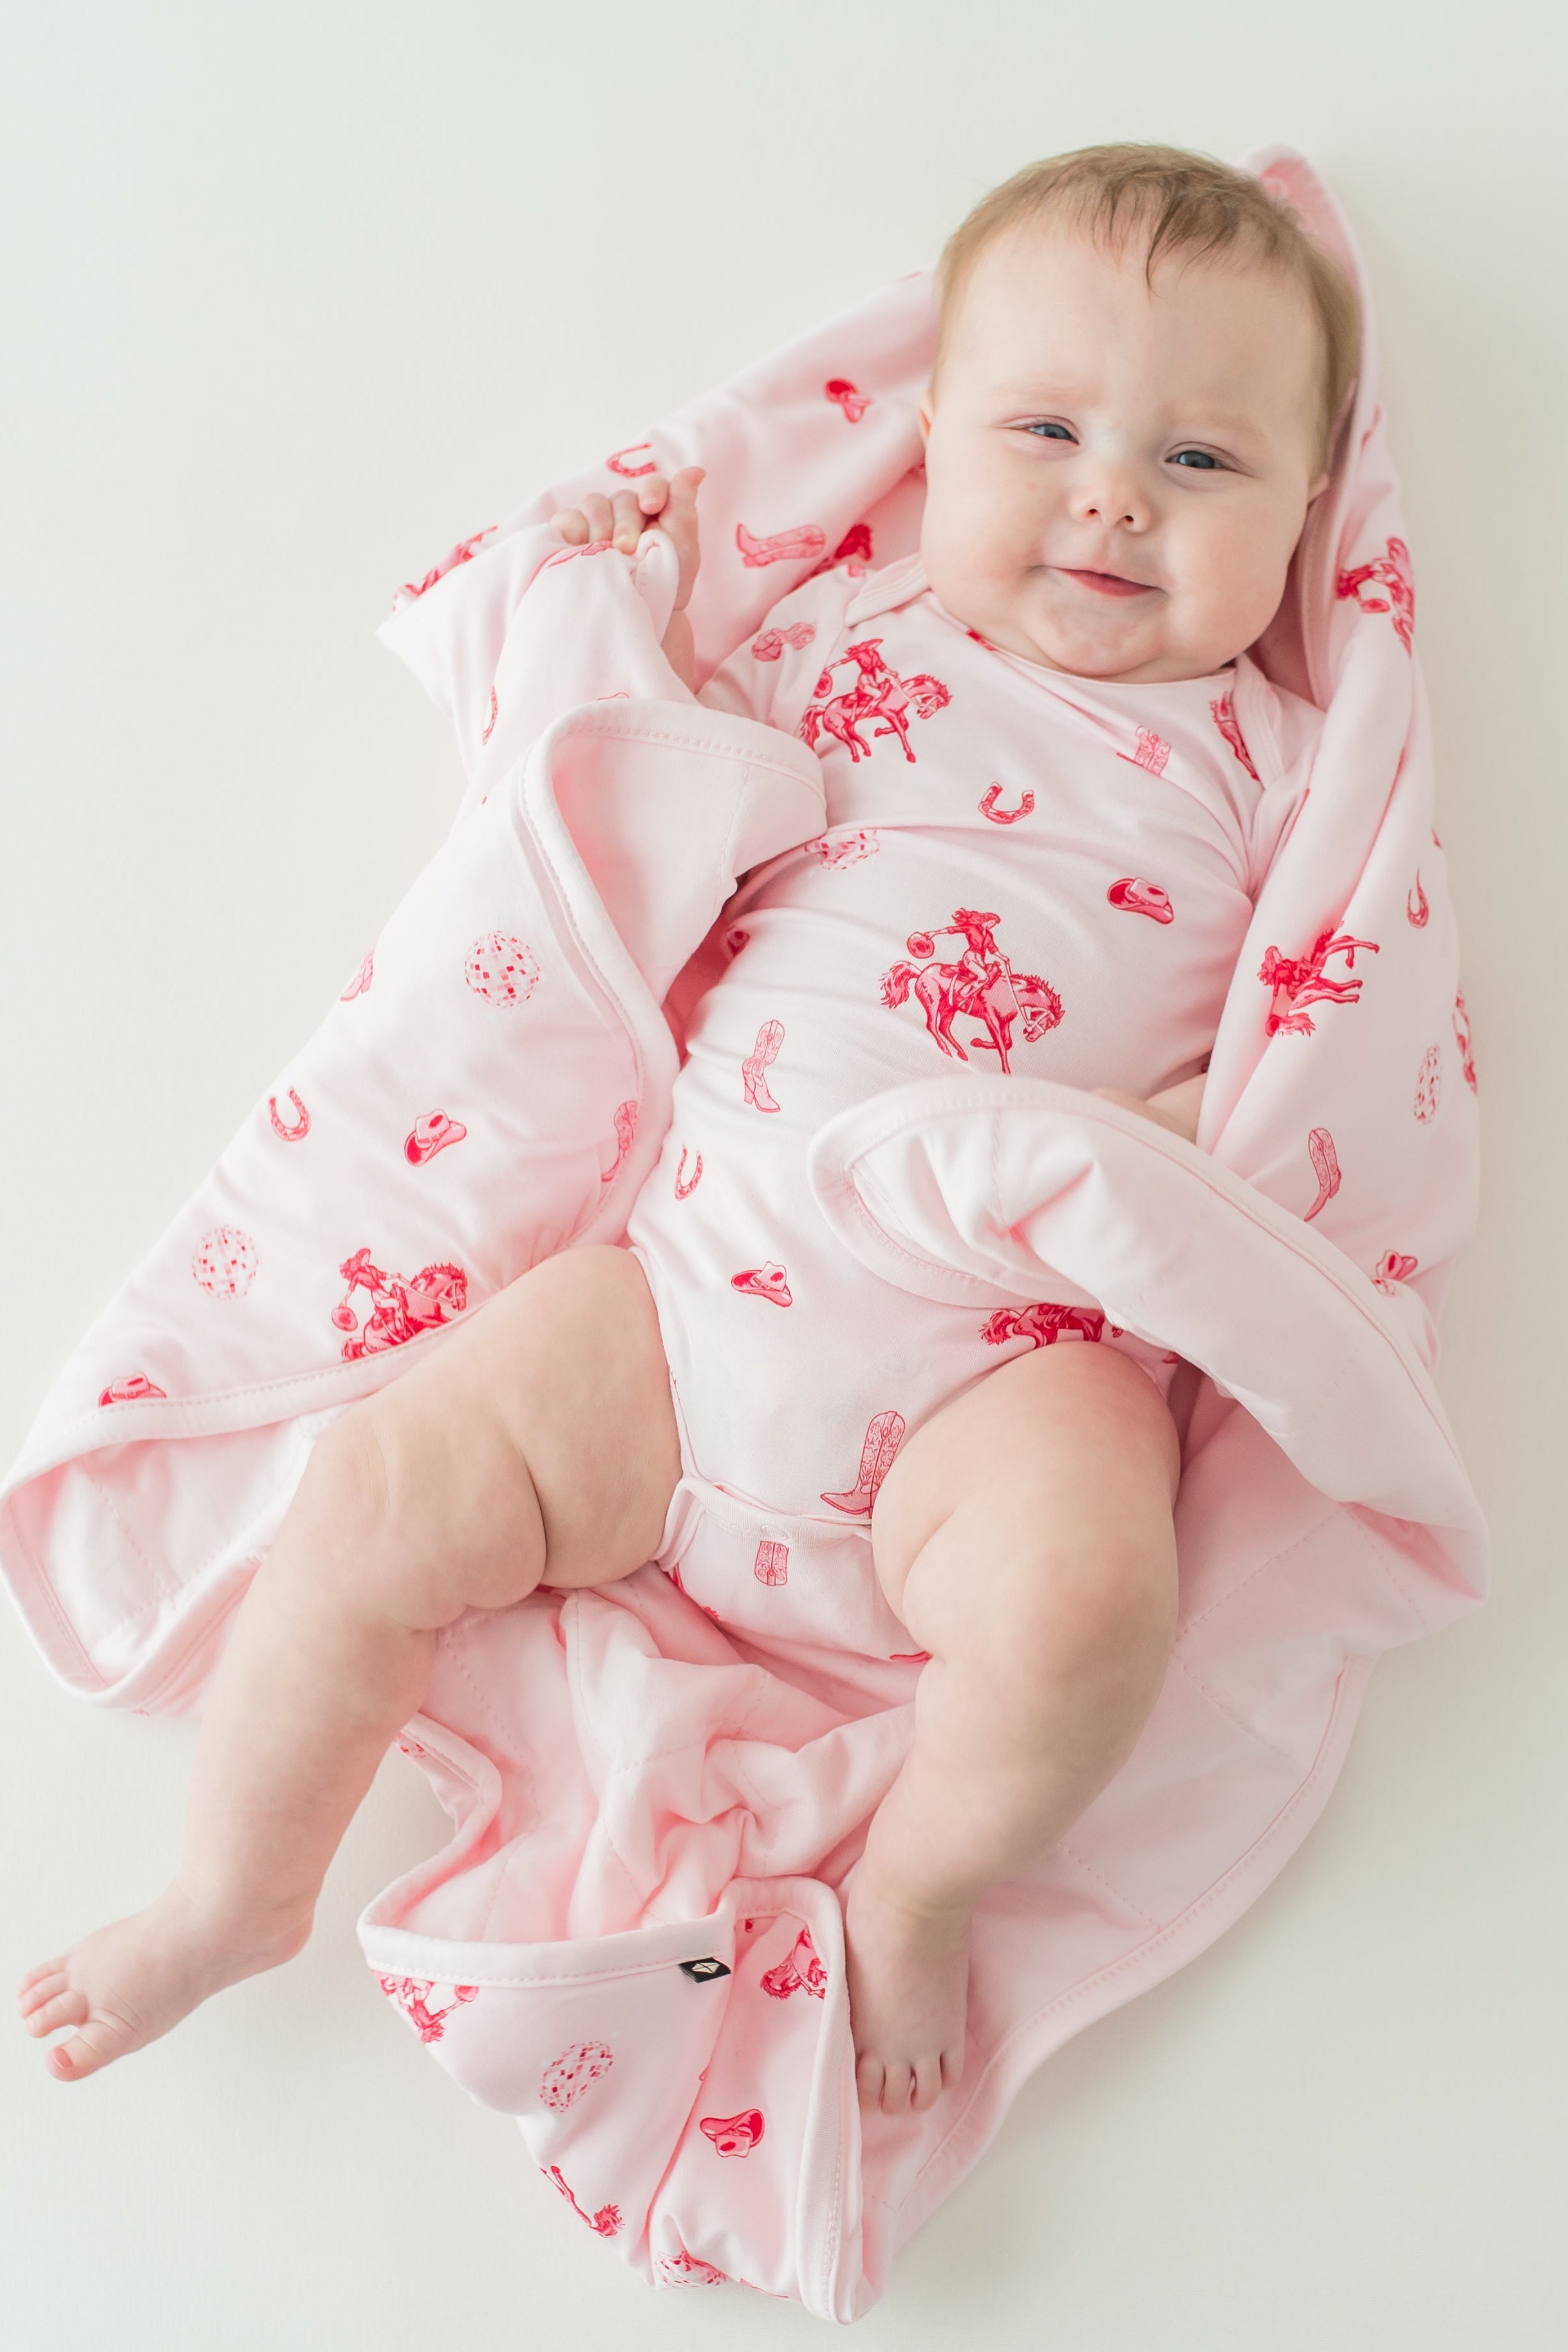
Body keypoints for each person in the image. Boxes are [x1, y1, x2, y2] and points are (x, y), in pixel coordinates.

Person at [17, 143, 1356, 2118]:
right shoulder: (852, 642)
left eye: (1200, 465)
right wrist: (608, 589)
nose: (1109, 495)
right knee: (389, 1485)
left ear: (1309, 511)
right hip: (687, 1299)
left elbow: (1331, 1030)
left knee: (1088, 1603)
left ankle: (919, 1881)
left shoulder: (1283, 765)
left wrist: (1179, 1138)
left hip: (1003, 1359)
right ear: (928, 441)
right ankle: (233, 1889)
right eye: (1048, 429)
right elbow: (613, 772)